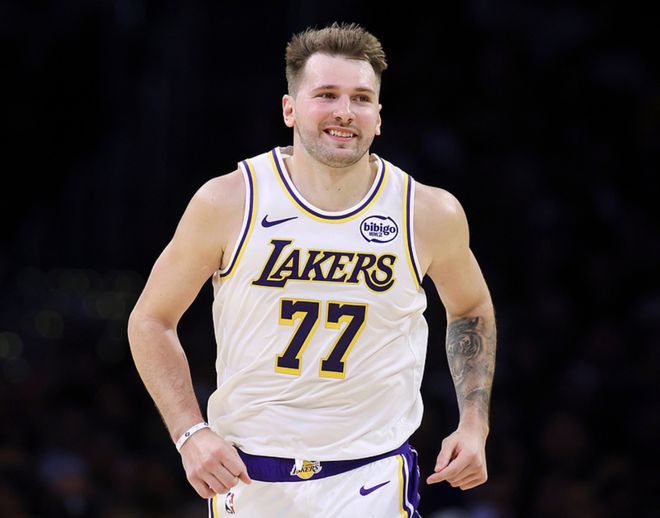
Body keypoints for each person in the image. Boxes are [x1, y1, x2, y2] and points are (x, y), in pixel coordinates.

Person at [128, 21, 496, 517]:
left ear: (378, 117)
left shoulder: (427, 212)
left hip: (371, 475)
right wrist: (189, 433)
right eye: (326, 95)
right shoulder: (229, 201)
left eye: (361, 98)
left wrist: (474, 423)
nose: (345, 111)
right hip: (249, 474)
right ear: (289, 109)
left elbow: (470, 307)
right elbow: (151, 320)